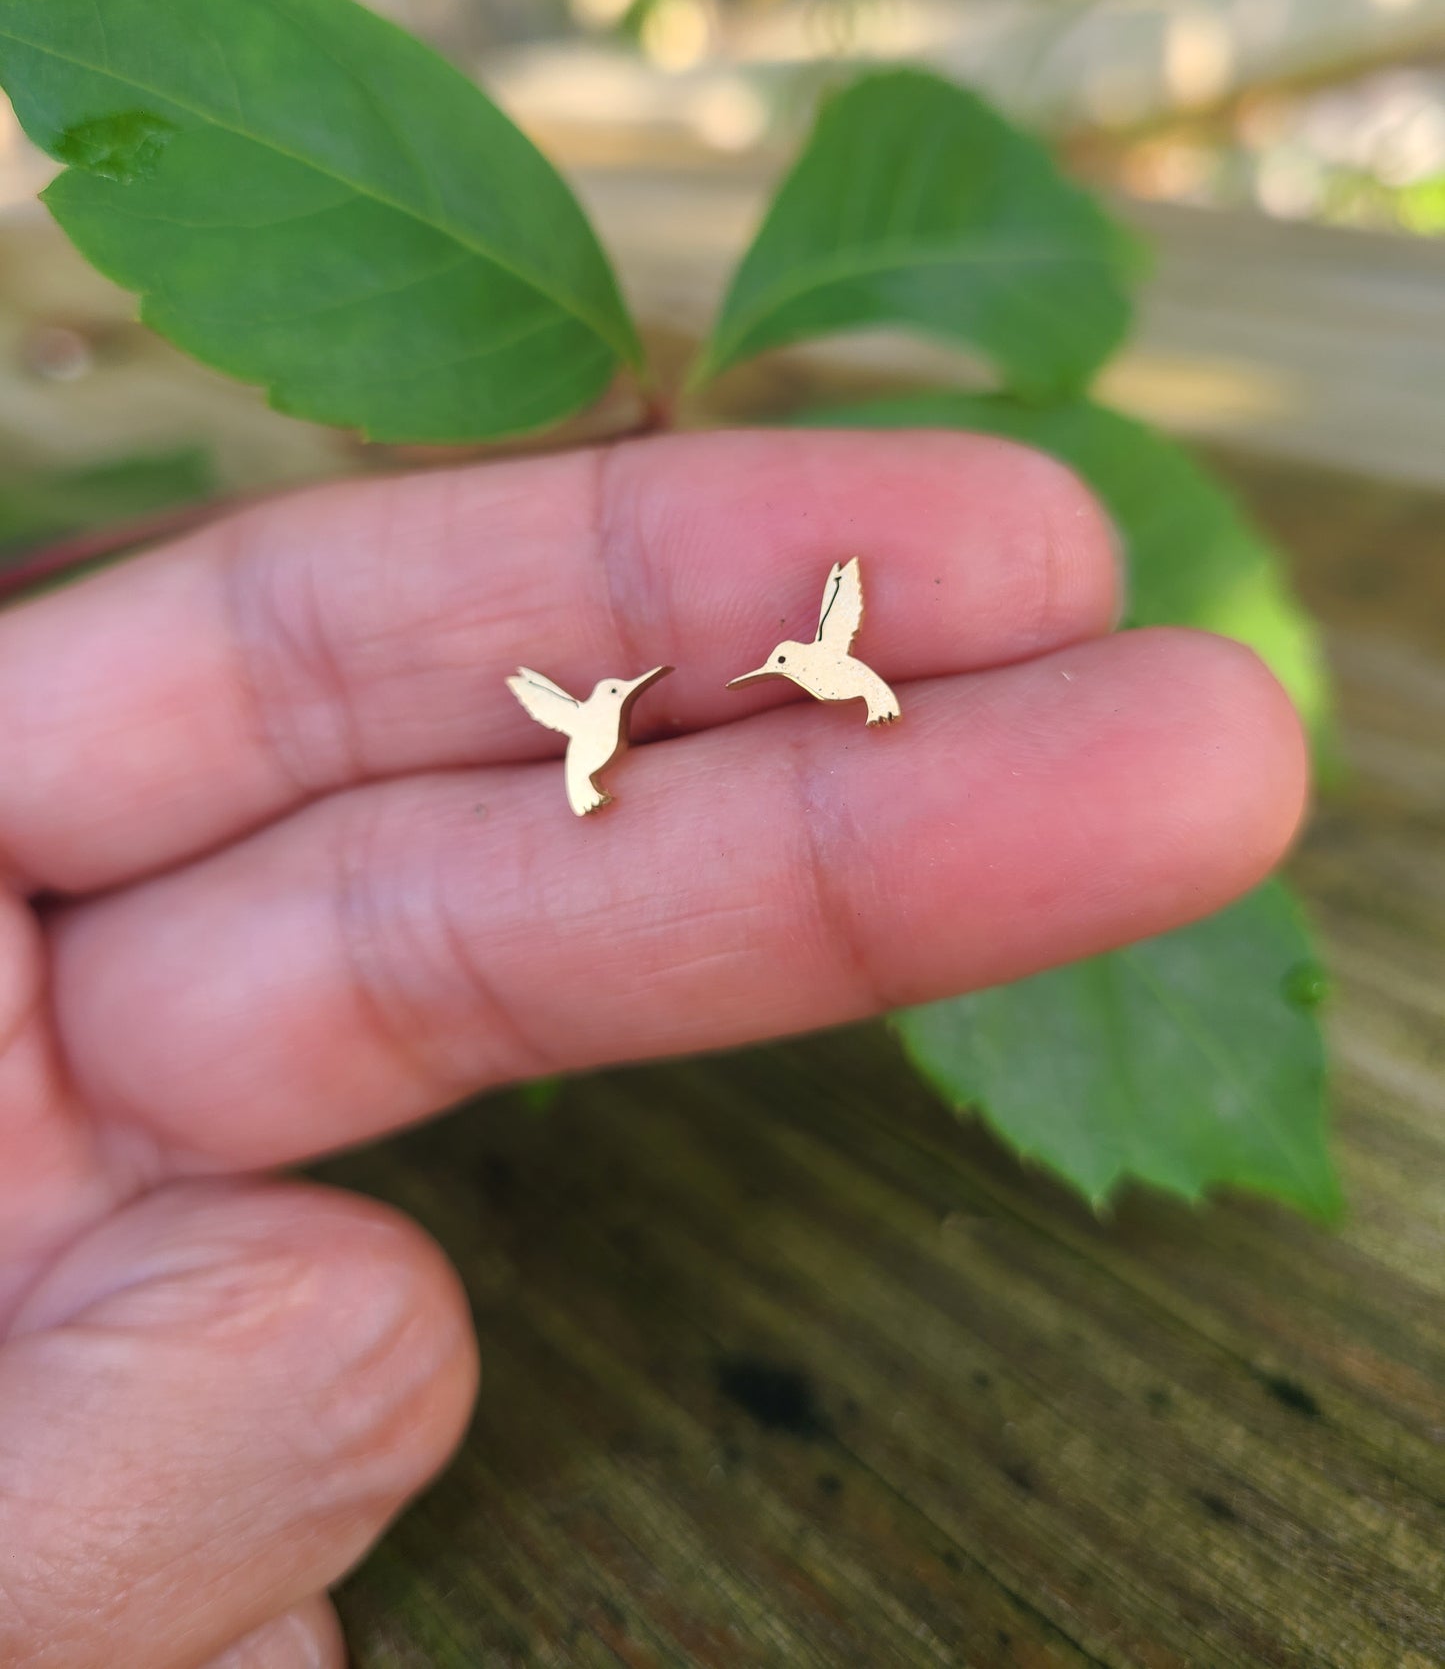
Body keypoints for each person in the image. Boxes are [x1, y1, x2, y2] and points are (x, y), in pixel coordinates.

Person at [0, 427, 1306, 1667]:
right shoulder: (719, 693)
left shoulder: (805, 670)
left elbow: (766, 659)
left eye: (800, 660)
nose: (786, 668)